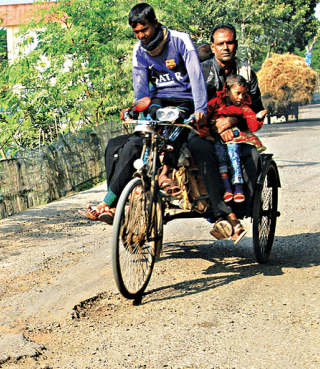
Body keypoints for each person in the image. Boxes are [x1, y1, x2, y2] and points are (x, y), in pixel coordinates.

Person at [82, 3, 207, 224]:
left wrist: (200, 109)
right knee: (128, 143)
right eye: (136, 32)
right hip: (157, 102)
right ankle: (114, 203)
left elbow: (196, 77)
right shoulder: (139, 50)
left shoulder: (180, 40)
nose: (141, 36)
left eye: (144, 30)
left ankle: (164, 174)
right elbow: (141, 90)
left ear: (155, 23)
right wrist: (135, 109)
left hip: (184, 99)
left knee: (172, 129)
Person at [191, 24, 265, 240]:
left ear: (236, 45)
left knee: (252, 156)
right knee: (200, 149)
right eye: (220, 43)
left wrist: (231, 120)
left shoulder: (246, 72)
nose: (226, 47)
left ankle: (241, 209)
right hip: (207, 128)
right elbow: (195, 105)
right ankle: (222, 213)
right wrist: (215, 126)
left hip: (238, 130)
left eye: (230, 43)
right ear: (212, 47)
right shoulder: (201, 71)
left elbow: (256, 108)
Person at [197, 75, 267, 243]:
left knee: (239, 157)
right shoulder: (213, 99)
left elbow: (251, 121)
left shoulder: (243, 104)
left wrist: (257, 119)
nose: (241, 98)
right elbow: (203, 118)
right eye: (237, 94)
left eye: (243, 94)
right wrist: (209, 132)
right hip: (214, 138)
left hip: (235, 138)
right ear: (227, 91)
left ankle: (239, 194)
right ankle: (226, 192)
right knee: (215, 157)